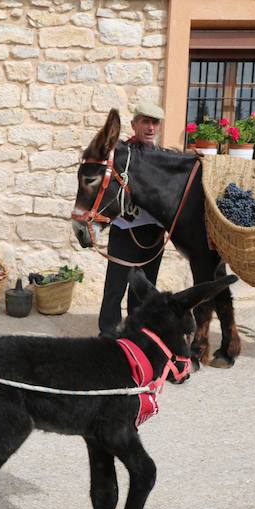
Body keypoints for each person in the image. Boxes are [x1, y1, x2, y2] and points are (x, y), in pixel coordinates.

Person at [98, 101, 167, 337]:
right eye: (145, 122)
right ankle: (108, 334)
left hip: (153, 232)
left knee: (145, 287)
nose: (150, 127)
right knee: (115, 287)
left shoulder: (165, 158)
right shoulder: (120, 154)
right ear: (134, 124)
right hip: (124, 229)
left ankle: (137, 332)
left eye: (154, 122)